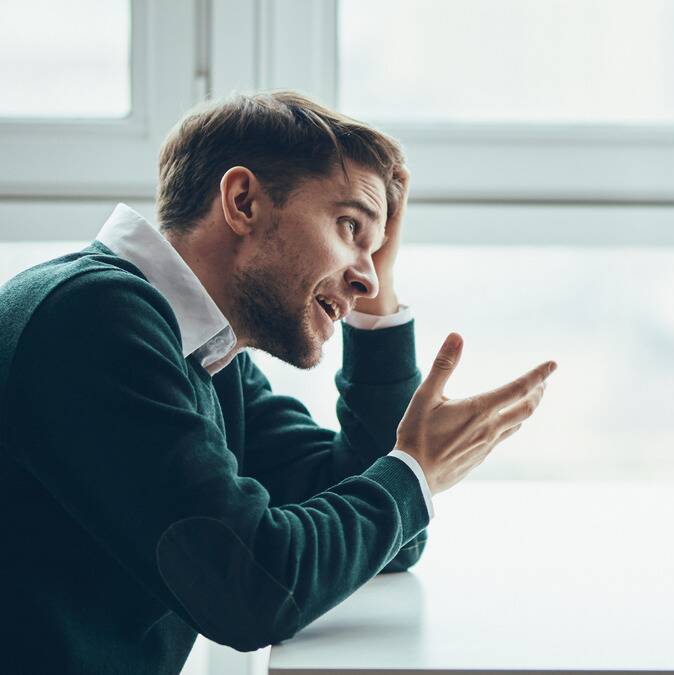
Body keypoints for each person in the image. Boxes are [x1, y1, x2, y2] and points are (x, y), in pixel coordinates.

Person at [0, 91, 556, 674]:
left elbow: (381, 533)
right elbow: (253, 589)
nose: (366, 275)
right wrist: (414, 472)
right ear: (243, 203)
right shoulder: (95, 321)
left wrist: (377, 297)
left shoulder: (204, 354)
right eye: (350, 226)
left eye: (378, 248)